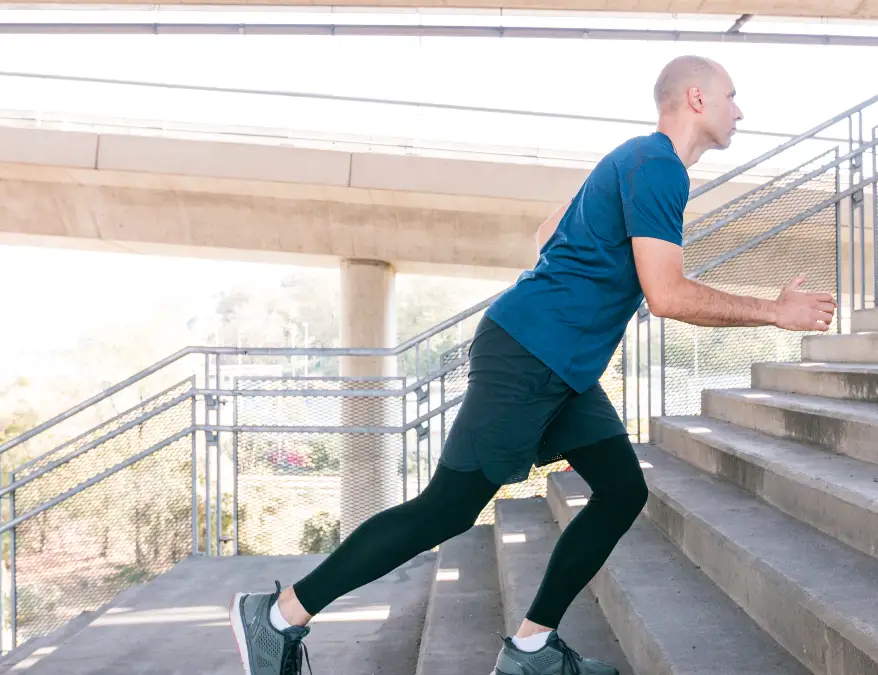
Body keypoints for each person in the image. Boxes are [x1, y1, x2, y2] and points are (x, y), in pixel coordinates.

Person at [228, 54, 836, 675]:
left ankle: (529, 649)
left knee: (622, 489)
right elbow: (667, 295)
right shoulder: (657, 168)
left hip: (559, 362)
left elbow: (549, 232)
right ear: (697, 100)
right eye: (733, 95)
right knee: (448, 509)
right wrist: (774, 312)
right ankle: (278, 616)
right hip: (530, 355)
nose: (742, 110)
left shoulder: (632, 158)